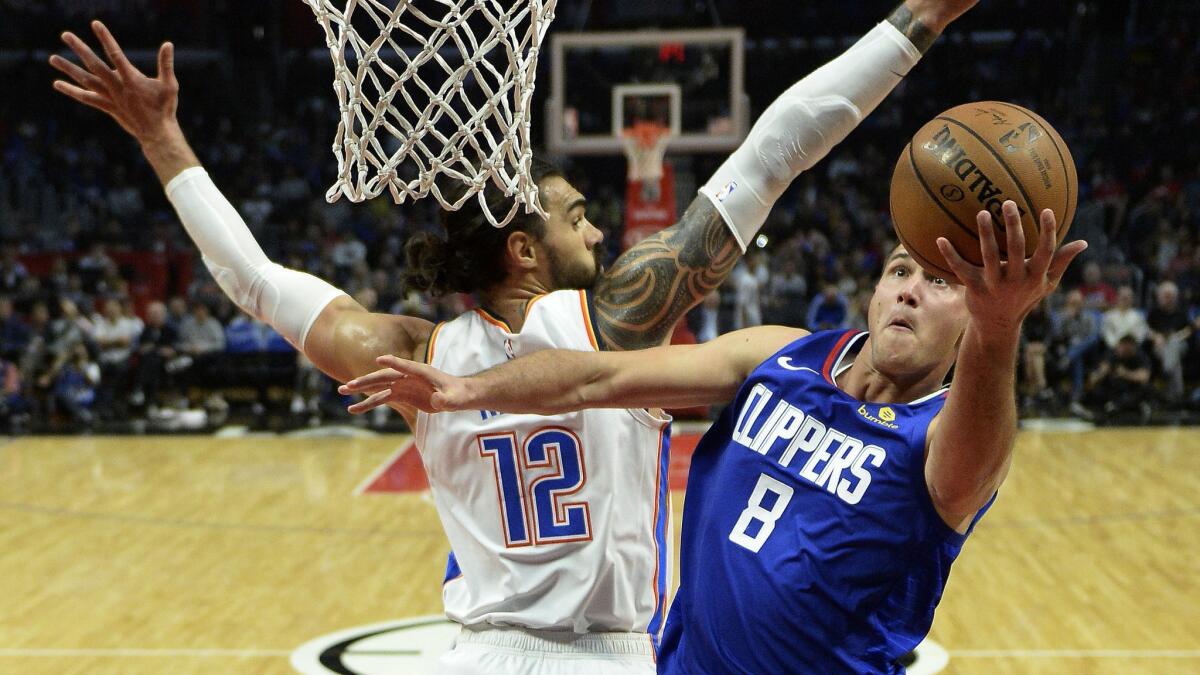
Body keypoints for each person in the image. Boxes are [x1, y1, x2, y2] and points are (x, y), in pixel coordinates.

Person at [52, 3, 974, 671]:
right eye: (578, 218)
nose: (603, 231)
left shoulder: (409, 352)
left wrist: (165, 141)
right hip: (610, 654)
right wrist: (918, 19)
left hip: (478, 652)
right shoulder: (613, 321)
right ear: (526, 247)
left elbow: (253, 279)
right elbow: (772, 153)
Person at [341, 202, 1087, 672]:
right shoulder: (781, 354)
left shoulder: (944, 438)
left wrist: (1001, 323)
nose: (911, 288)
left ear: (971, 319)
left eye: (943, 283)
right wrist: (470, 389)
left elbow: (975, 463)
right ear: (872, 290)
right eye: (899, 269)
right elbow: (597, 380)